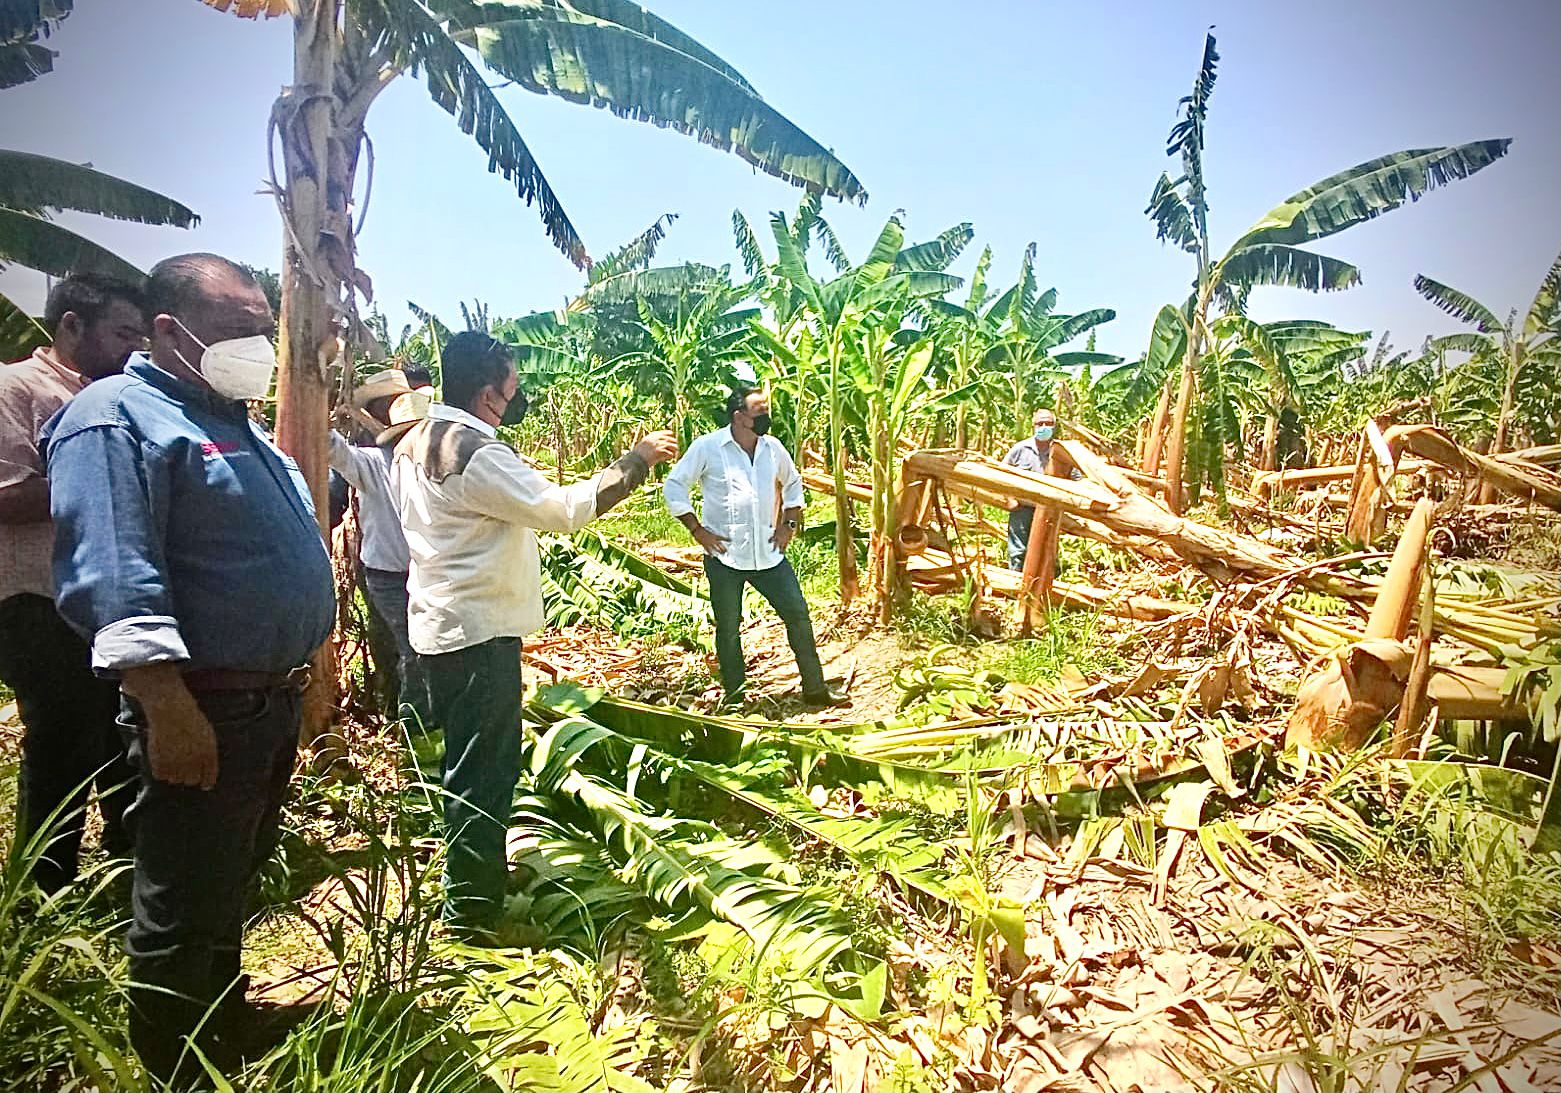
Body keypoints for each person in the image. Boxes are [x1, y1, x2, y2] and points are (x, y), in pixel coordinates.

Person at [42, 253, 336, 1084]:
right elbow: (115, 567)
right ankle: (179, 1062)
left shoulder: (232, 419)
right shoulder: (117, 416)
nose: (259, 348)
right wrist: (164, 703)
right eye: (242, 330)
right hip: (200, 703)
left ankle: (226, 1015)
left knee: (226, 877)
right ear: (171, 331)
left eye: (262, 332)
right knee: (179, 891)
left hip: (263, 703)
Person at [387, 331, 677, 936]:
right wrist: (636, 461)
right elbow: (563, 511)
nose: (513, 401)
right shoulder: (472, 450)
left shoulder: (414, 441)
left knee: (471, 765)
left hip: (443, 622)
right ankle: (472, 915)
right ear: (491, 393)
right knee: (482, 773)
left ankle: (477, 880)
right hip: (478, 632)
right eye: (511, 391)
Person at [0, 273, 144, 893]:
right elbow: (6, 496)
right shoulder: (17, 388)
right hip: (35, 599)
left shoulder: (122, 397)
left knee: (119, 738)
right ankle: (41, 893)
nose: (131, 348)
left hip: (100, 600)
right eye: (122, 333)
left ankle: (122, 875)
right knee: (61, 745)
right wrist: (103, 476)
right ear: (71, 326)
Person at [663, 388, 845, 710]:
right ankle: (735, 699)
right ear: (739, 416)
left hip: (769, 555)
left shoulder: (773, 449)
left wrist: (788, 525)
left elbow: (793, 483)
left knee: (799, 617)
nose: (766, 418)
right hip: (725, 558)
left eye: (765, 411)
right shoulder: (708, 448)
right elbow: (675, 485)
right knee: (729, 630)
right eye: (759, 412)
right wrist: (697, 529)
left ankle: (815, 690)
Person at [331, 369, 432, 729]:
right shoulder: (372, 462)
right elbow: (334, 451)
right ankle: (413, 729)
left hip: (425, 573)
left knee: (412, 649)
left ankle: (402, 714)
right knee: (413, 650)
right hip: (388, 575)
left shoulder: (430, 463)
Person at [1003, 407, 1068, 570]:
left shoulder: (1062, 452)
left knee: (1048, 550)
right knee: (1018, 550)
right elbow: (1000, 474)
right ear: (1033, 426)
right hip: (1022, 508)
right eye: (1040, 423)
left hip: (1050, 510)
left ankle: (1044, 589)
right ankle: (1015, 585)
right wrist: (1010, 499)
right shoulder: (1020, 449)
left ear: (1054, 426)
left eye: (1048, 423)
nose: (1044, 426)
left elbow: (1076, 480)